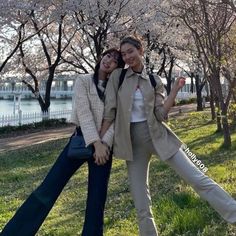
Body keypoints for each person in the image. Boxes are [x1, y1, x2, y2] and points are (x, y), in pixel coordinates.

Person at [100, 36, 236, 236]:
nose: (127, 57)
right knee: (141, 201)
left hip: (159, 137)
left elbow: (161, 114)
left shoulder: (154, 80)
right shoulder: (118, 77)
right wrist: (101, 142)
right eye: (123, 54)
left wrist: (175, 90)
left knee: (198, 179)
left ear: (140, 51)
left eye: (131, 51)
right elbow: (109, 111)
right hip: (132, 144)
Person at [0, 48, 125, 236]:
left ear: (117, 68)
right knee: (48, 189)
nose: (109, 61)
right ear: (101, 57)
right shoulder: (83, 81)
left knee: (97, 200)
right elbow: (83, 113)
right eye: (108, 56)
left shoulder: (116, 88)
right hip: (81, 140)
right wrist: (96, 143)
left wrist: (105, 144)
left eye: (115, 61)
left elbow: (117, 118)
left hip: (104, 148)